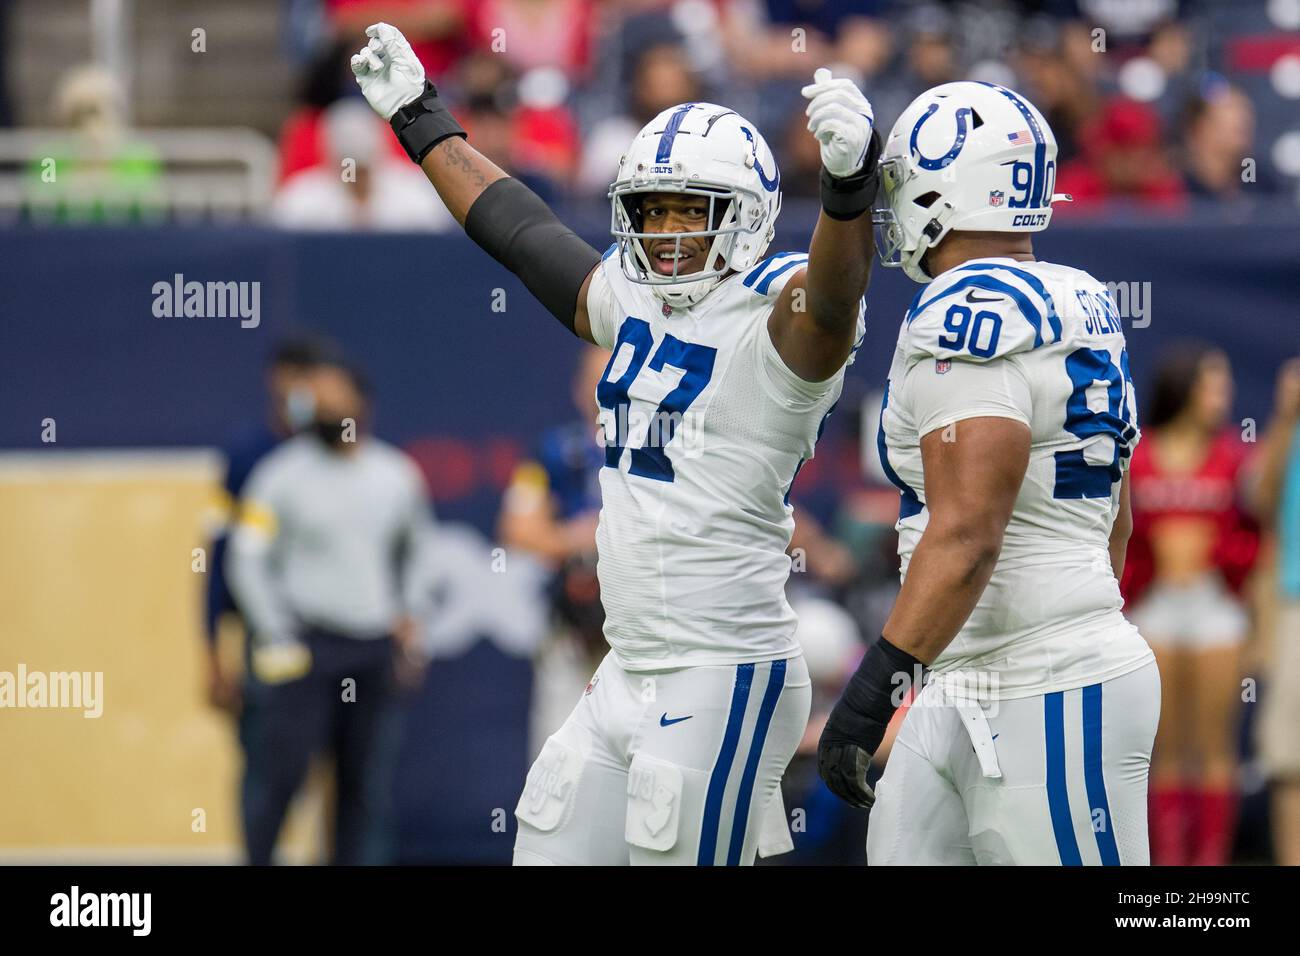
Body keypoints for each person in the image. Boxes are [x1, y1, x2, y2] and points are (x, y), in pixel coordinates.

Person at [352, 22, 878, 865]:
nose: (665, 234)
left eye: (689, 213)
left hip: (723, 667)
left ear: (746, 220)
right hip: (627, 662)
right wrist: (420, 118)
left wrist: (849, 195)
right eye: (651, 210)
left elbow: (832, 302)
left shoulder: (778, 318)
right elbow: (520, 233)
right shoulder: (630, 299)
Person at [818, 80, 1159, 865]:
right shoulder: (1083, 298)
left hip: (1044, 680)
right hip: (979, 670)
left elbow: (970, 530)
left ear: (945, 187)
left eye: (898, 183)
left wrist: (875, 691)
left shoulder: (963, 308)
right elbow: (1117, 520)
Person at [227, 359, 434, 865]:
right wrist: (277, 631)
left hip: (371, 650)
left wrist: (410, 617)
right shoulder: (278, 474)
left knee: (364, 788)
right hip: (305, 648)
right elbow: (246, 557)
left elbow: (418, 553)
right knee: (276, 780)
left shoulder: (396, 475)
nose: (319, 406)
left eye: (330, 396)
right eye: (310, 398)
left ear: (360, 405)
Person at [1123, 344, 1257, 866]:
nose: (1221, 396)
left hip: (1214, 606)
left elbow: (1254, 534)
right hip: (1155, 605)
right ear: (1184, 389)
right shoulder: (1143, 452)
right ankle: (1169, 862)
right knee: (1167, 749)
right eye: (1212, 384)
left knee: (1215, 744)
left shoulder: (1233, 455)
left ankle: (1211, 864)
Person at [204, 335, 338, 713]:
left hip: (336, 633)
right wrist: (212, 649)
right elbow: (222, 550)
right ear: (276, 379)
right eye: (297, 376)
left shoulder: (343, 453)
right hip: (268, 632)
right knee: (269, 749)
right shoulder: (248, 454)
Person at [1253, 358, 1300, 865]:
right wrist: (1285, 417)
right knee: (1290, 755)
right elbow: (1259, 499)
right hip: (1293, 603)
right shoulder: (1289, 431)